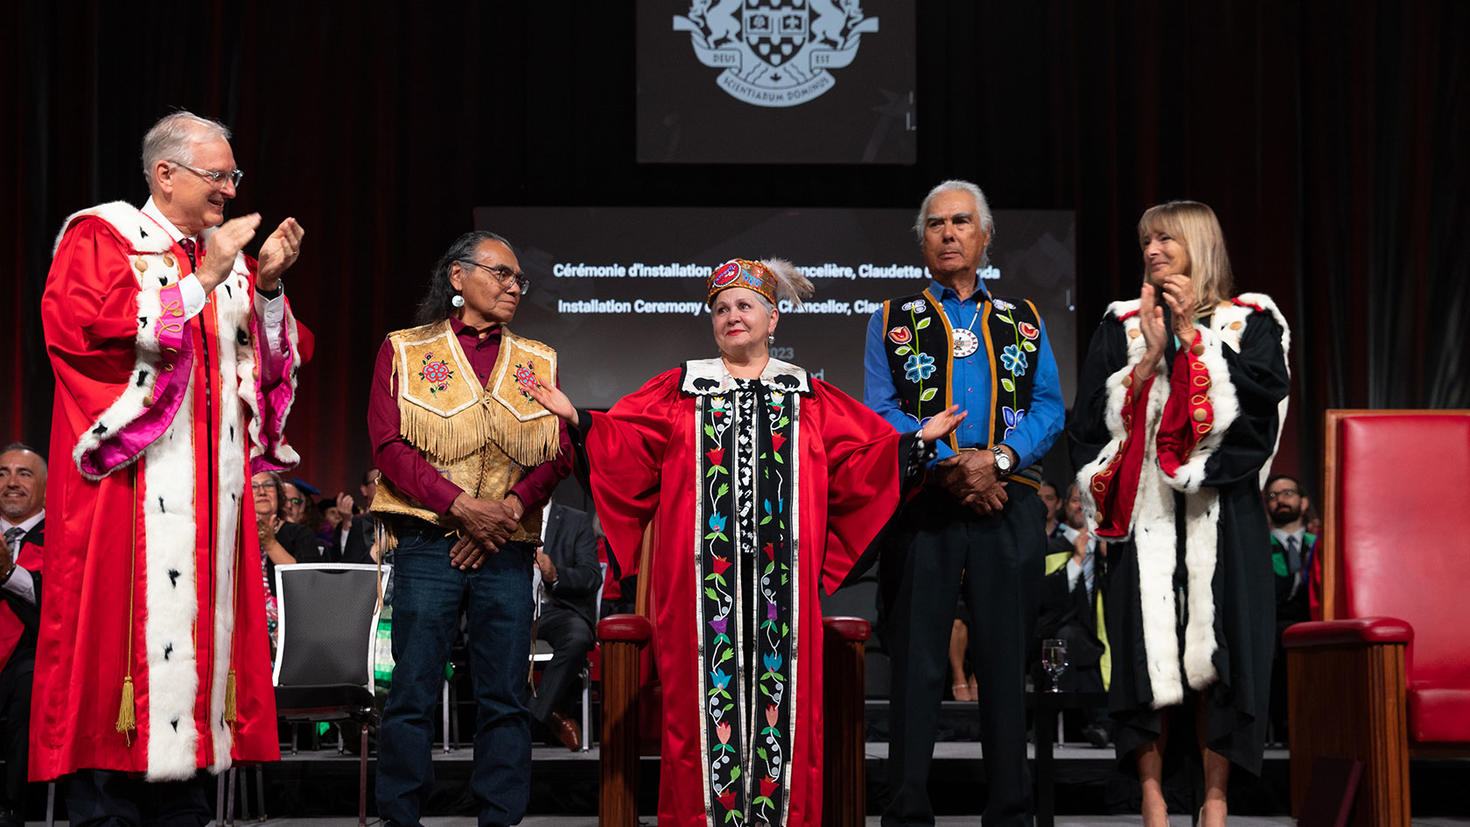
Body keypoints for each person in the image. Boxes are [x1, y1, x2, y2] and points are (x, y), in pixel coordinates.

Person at [528, 257, 962, 827]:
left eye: (744, 305)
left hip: (783, 593)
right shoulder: (680, 388)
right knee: (696, 713)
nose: (732, 316)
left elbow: (860, 463)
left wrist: (912, 445)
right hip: (699, 594)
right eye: (721, 308)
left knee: (786, 714)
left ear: (773, 318)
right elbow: (627, 441)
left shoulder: (809, 395)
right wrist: (582, 421)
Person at [34, 110, 307, 821]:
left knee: (194, 705)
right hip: (127, 503)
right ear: (165, 173)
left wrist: (268, 287)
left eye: (233, 175)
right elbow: (82, 333)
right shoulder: (104, 237)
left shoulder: (220, 259)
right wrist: (200, 281)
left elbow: (268, 372)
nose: (229, 189)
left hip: (212, 515)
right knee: (118, 676)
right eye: (218, 175)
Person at [1070, 201, 1290, 827]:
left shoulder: (1251, 318)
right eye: (1146, 240)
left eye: (1166, 237)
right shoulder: (1121, 322)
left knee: (1223, 650)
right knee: (1144, 652)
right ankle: (1153, 796)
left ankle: (1216, 800)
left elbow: (1264, 403)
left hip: (1226, 509)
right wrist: (1146, 363)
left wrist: (1196, 337)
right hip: (1144, 511)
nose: (1153, 249)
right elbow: (1087, 424)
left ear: (1199, 242)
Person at [865, 179, 1064, 827]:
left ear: (984, 236)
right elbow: (880, 409)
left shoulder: (1024, 319)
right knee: (918, 663)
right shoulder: (890, 319)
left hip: (1007, 502)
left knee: (1006, 663)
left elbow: (1047, 409)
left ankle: (1009, 808)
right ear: (922, 239)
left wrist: (998, 461)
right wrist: (950, 466)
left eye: (961, 222)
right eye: (935, 224)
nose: (948, 233)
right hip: (926, 501)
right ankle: (907, 809)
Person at [368, 231, 571, 826]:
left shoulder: (539, 359)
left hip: (506, 549)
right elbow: (388, 447)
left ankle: (499, 818)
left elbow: (558, 454)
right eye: (501, 273)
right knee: (412, 691)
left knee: (506, 697)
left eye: (518, 280)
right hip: (429, 542)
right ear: (458, 277)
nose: (513, 286)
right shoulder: (404, 349)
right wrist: (461, 507)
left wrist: (507, 508)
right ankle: (400, 817)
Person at [528, 502, 601, 751]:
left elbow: (591, 576)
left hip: (558, 609)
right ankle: (550, 716)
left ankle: (529, 716)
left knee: (578, 636)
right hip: (517, 608)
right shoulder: (507, 514)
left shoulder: (576, 521)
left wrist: (554, 574)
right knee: (486, 634)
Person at [0, 445, 46, 827]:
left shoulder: (63, 534)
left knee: (30, 684)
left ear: (45, 486)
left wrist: (7, 573)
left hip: (34, 655)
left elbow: (58, 598)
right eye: (3, 473)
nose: (11, 483)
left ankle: (13, 806)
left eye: (24, 474)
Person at [1264, 473, 1318, 742]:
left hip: (1315, 624)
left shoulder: (1321, 545)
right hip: (1272, 629)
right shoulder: (1259, 548)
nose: (1280, 500)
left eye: (1287, 493)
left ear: (1304, 502)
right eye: (1273, 496)